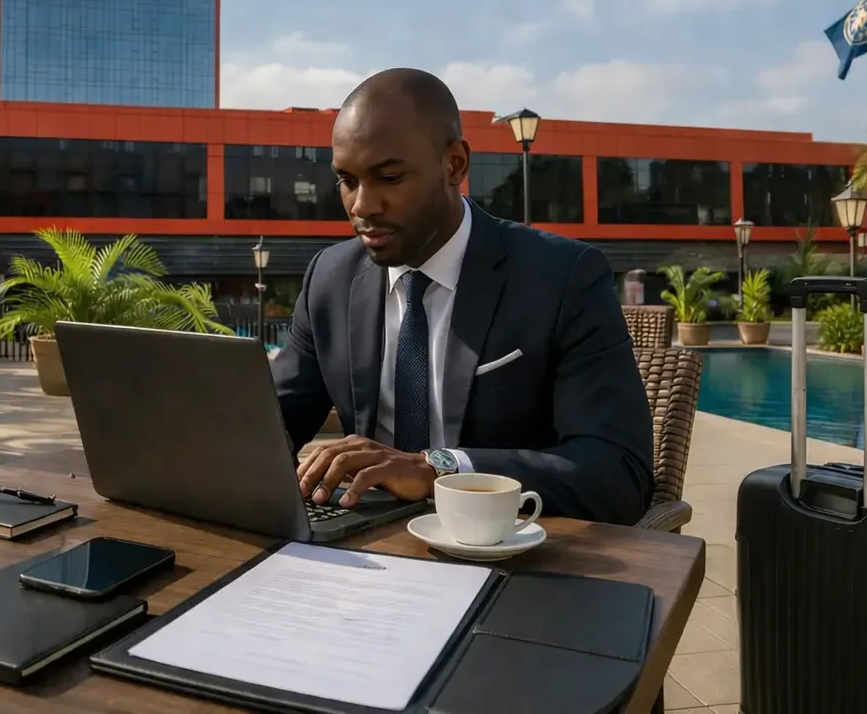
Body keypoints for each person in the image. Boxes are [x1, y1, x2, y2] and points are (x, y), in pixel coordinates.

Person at [272, 69, 655, 526]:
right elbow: (268, 425)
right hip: (364, 548)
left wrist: (439, 469)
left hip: (512, 557)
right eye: (347, 181)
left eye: (389, 178)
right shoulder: (330, 279)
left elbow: (617, 474)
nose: (361, 206)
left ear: (454, 165)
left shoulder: (563, 278)